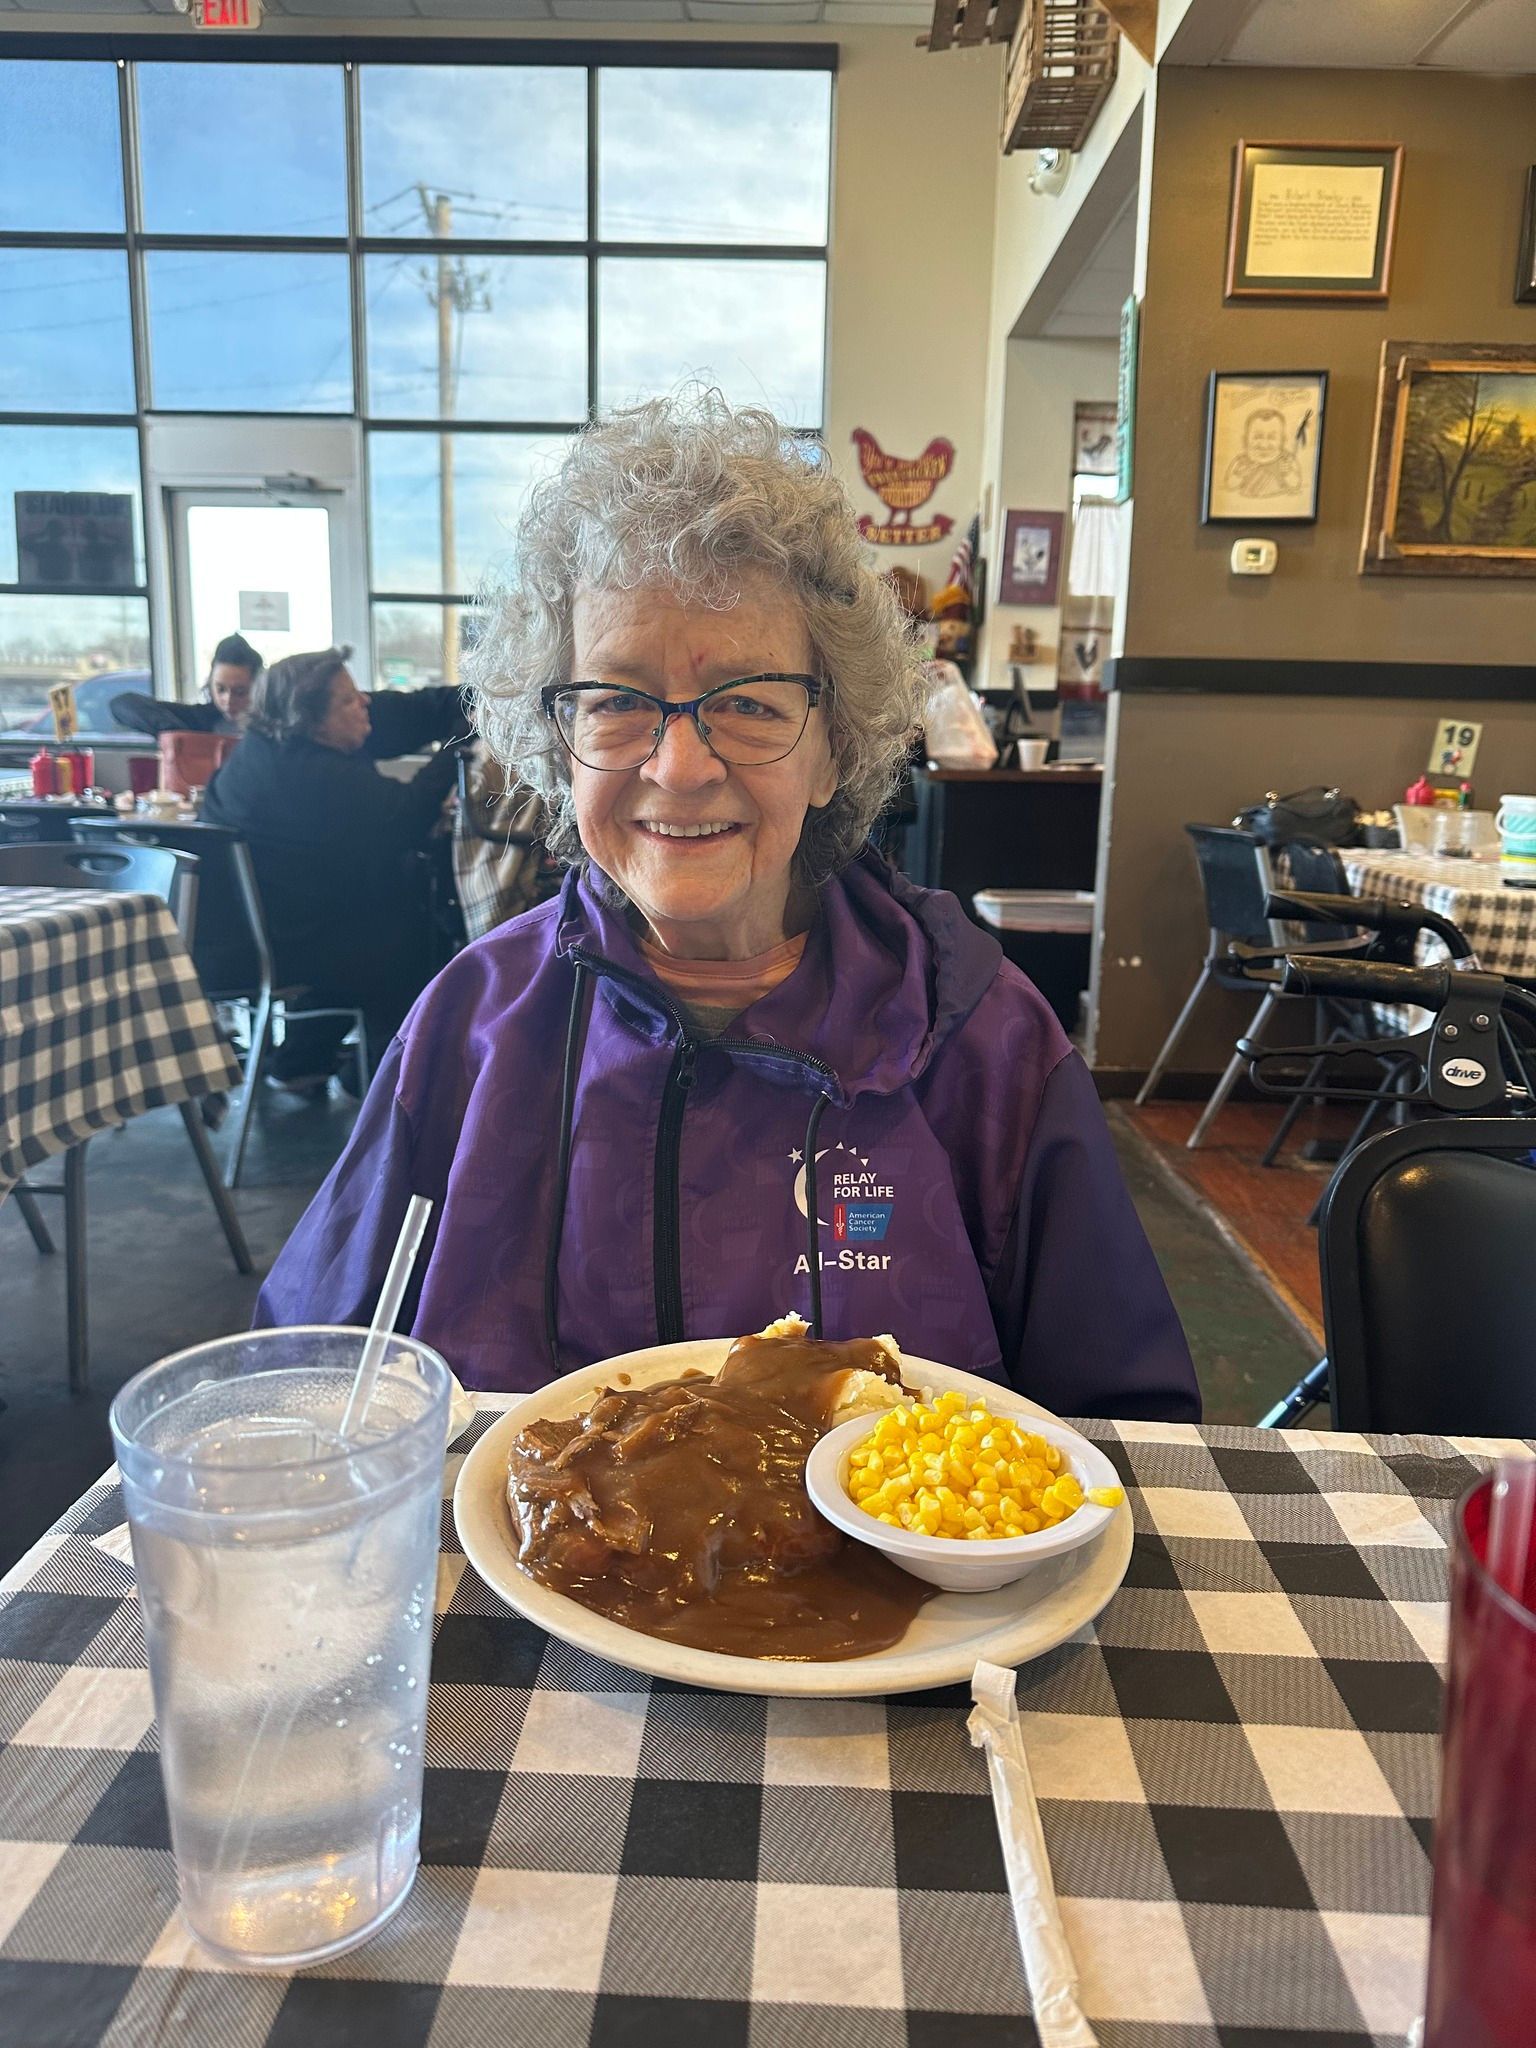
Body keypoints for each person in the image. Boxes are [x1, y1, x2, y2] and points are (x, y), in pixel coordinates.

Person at [256, 393, 1198, 1421]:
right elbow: (298, 1395)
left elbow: (1130, 1433)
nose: (680, 765)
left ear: (836, 743)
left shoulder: (982, 1040)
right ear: (557, 742)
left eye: (748, 702)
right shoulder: (468, 1028)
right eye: (617, 700)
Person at [202, 646, 461, 1089]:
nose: (364, 702)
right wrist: (460, 746)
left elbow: (406, 712)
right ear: (313, 720)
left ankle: (303, 1060)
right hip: (292, 944)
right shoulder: (312, 776)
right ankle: (394, 1083)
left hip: (254, 936)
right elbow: (407, 817)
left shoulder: (264, 750)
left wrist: (483, 698)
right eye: (348, 699)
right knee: (414, 924)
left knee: (380, 898)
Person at [112, 632, 263, 736]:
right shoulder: (202, 718)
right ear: (210, 685)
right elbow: (123, 704)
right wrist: (177, 734)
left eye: (240, 691)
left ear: (258, 688)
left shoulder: (275, 726)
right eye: (221, 689)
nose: (228, 700)